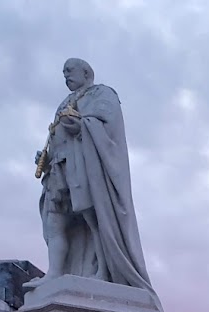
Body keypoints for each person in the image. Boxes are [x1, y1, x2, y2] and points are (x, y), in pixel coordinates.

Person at [31, 58, 154, 292]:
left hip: (82, 165)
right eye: (63, 72)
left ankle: (103, 270)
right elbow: (57, 137)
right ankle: (55, 272)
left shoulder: (102, 94)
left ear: (86, 72)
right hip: (59, 166)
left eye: (69, 71)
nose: (66, 76)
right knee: (55, 220)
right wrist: (45, 158)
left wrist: (83, 125)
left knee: (93, 217)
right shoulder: (64, 102)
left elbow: (109, 127)